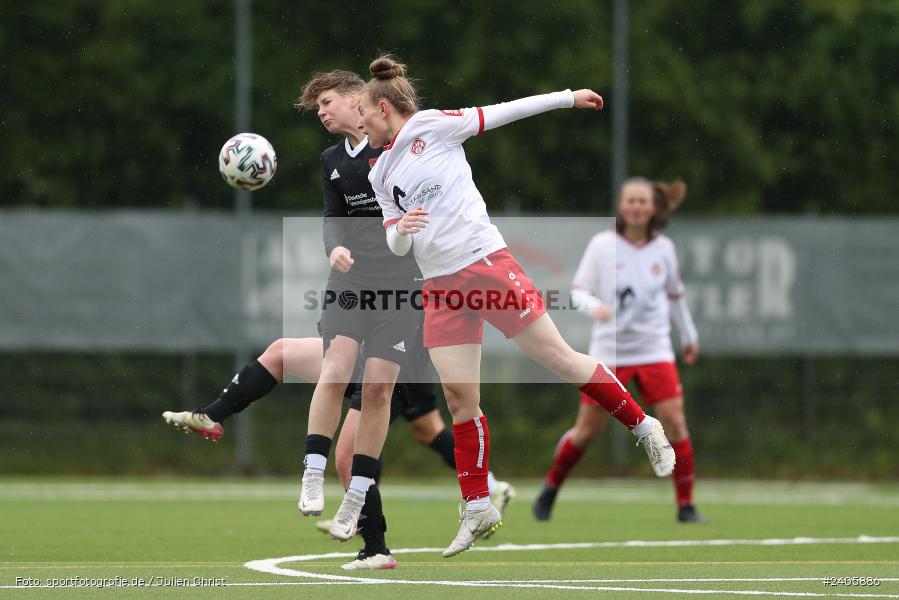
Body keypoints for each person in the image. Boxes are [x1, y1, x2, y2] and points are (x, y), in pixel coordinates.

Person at [357, 55, 676, 558]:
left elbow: (505, 110)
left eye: (361, 112)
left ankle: (644, 425)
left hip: (484, 263)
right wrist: (404, 230)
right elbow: (396, 241)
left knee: (560, 359)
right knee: (459, 398)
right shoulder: (379, 172)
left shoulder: (432, 126)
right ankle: (478, 505)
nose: (358, 123)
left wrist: (566, 98)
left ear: (381, 108)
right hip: (439, 286)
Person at [532, 178, 705, 524]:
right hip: (609, 351)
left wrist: (689, 335)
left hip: (654, 348)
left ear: (653, 208)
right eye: (631, 201)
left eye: (643, 201)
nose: (636, 207)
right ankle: (550, 489)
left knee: (674, 422)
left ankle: (686, 506)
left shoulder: (664, 248)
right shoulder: (602, 245)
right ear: (621, 206)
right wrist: (594, 307)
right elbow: (578, 291)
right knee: (587, 431)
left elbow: (675, 297)